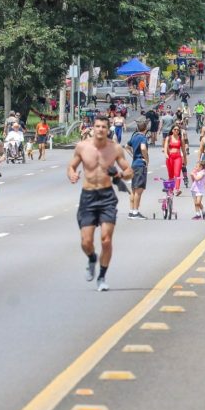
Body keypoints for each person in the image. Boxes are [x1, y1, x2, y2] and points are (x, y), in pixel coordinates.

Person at [68, 115, 132, 291]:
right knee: (86, 241)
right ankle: (91, 258)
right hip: (88, 197)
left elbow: (129, 171)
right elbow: (71, 166)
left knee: (106, 239)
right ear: (93, 128)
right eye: (98, 126)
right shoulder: (83, 147)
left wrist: (119, 175)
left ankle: (102, 276)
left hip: (106, 197)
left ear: (108, 129)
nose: (100, 129)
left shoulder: (115, 149)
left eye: (104, 126)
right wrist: (72, 174)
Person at [125, 119, 149, 219]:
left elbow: (126, 146)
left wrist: (133, 155)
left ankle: (131, 211)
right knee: (139, 190)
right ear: (146, 128)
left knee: (134, 189)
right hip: (140, 165)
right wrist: (146, 159)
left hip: (134, 163)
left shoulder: (134, 136)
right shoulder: (143, 138)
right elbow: (143, 148)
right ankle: (135, 212)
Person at [164, 125, 186, 196]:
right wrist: (166, 154)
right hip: (170, 157)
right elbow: (165, 147)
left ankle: (177, 189)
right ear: (172, 130)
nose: (176, 131)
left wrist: (185, 159)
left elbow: (183, 150)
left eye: (178, 130)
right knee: (171, 175)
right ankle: (171, 190)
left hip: (178, 157)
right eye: (175, 129)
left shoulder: (180, 138)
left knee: (177, 173)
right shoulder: (168, 138)